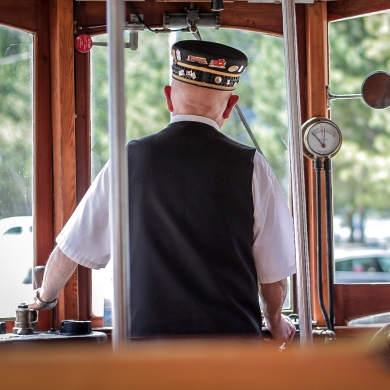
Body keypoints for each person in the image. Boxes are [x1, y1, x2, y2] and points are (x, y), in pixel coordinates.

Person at [29, 40, 296, 343]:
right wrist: (274, 320)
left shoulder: (128, 159)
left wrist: (43, 299)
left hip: (147, 352)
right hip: (230, 352)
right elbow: (274, 276)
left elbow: (71, 248)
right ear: (231, 106)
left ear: (169, 98)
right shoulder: (252, 166)